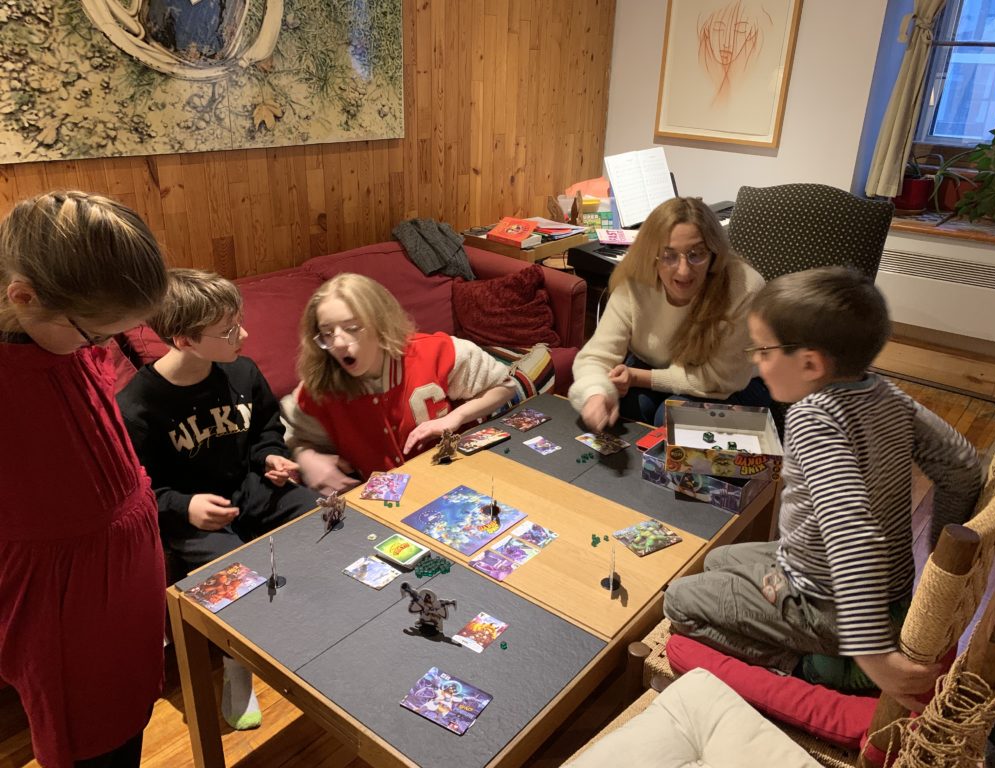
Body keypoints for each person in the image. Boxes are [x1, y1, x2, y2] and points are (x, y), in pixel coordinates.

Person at [663, 267, 983, 711]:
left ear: (810, 364)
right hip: (876, 585)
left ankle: (811, 667)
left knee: (678, 602)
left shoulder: (813, 418)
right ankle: (823, 638)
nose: (756, 361)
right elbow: (963, 466)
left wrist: (874, 656)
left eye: (763, 350)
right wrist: (934, 553)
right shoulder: (888, 394)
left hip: (824, 604)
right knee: (718, 559)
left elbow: (851, 533)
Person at [0, 191, 168, 767]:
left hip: (123, 580)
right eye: (96, 335)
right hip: (64, 609)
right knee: (94, 745)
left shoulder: (64, 342)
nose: (101, 347)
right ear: (24, 298)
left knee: (130, 726)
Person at [116, 268, 319, 731]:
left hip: (247, 487)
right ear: (185, 340)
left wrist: (272, 458)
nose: (243, 335)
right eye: (229, 330)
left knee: (312, 515)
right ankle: (235, 663)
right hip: (190, 512)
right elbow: (137, 490)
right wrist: (183, 507)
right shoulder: (137, 406)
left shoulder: (242, 371)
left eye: (239, 322)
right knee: (231, 577)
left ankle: (309, 618)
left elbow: (266, 429)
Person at [282, 273, 516, 493]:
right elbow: (288, 436)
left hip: (463, 479)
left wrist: (455, 418)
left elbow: (504, 386)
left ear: (380, 323)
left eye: (352, 328)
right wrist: (306, 458)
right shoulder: (319, 385)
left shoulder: (436, 352)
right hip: (389, 503)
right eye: (327, 333)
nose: (339, 343)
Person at [568, 197, 766, 432]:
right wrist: (595, 394)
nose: (683, 271)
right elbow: (596, 356)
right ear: (651, 255)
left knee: (672, 417)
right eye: (668, 255)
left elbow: (718, 379)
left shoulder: (745, 287)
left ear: (714, 253)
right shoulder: (635, 278)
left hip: (734, 383)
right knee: (629, 408)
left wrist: (638, 377)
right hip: (657, 365)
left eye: (696, 254)